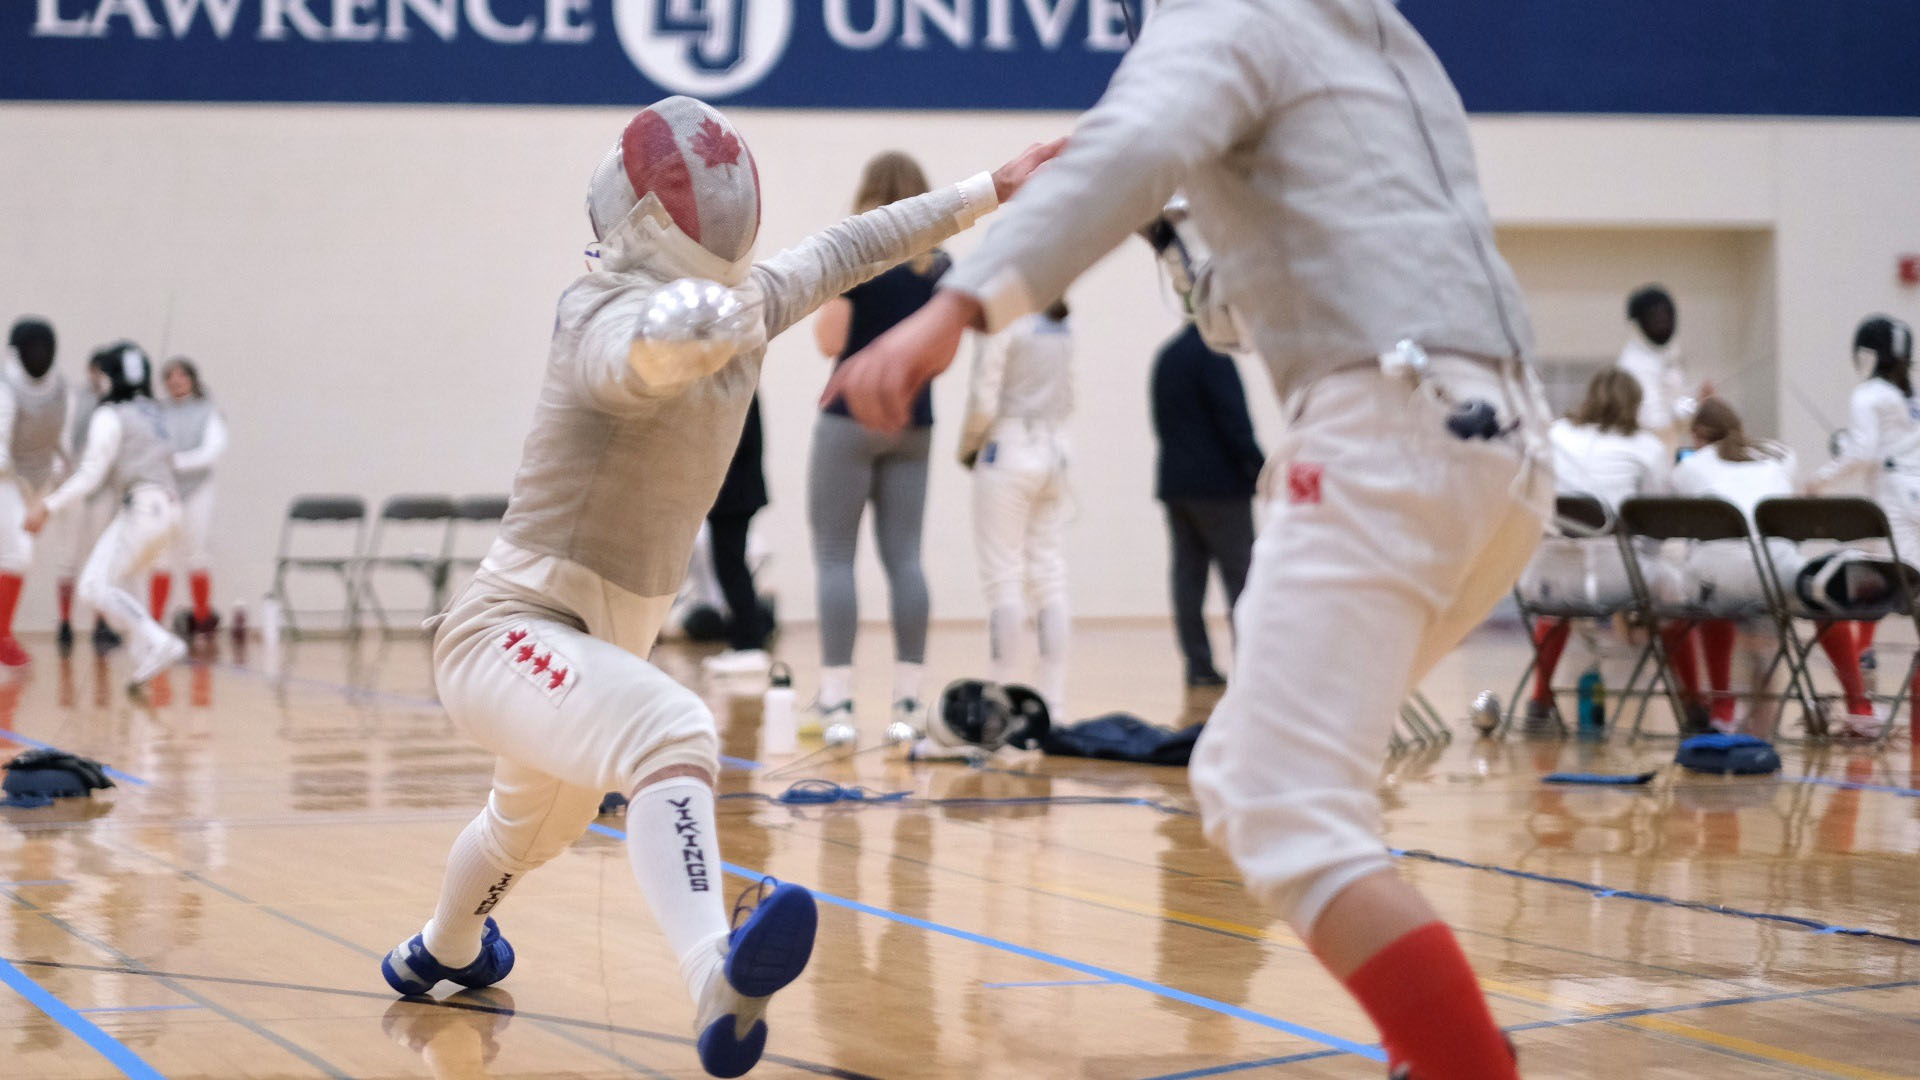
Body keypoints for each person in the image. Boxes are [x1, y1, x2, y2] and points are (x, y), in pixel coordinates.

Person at [822, 2, 1544, 1076]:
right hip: (1507, 453)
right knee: (1310, 788)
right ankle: (1432, 1048)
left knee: (1268, 791)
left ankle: (1459, 1061)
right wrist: (1179, 234)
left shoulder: (1225, 13)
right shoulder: (1379, 36)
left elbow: (1127, 143)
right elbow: (1252, 304)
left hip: (1387, 431)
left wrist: (952, 310)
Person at [378, 95, 1058, 1080]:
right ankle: (715, 977)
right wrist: (673, 339)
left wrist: (995, 186)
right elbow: (623, 365)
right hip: (504, 630)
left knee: (525, 830)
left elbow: (854, 244)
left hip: (590, 655)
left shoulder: (742, 305)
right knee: (674, 734)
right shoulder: (601, 308)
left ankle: (442, 952)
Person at [806, 152, 955, 746]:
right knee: (906, 559)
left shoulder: (854, 253)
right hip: (913, 420)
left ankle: (838, 704)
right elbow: (944, 352)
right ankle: (909, 702)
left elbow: (829, 341)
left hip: (847, 417)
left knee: (837, 558)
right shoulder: (940, 264)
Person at [1666, 399, 1879, 735]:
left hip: (1721, 578)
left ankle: (1721, 709)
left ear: (1697, 435)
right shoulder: (1780, 454)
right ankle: (1860, 708)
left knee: (1705, 597)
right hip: (1779, 571)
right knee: (1822, 598)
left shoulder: (1687, 468)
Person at [24, 343, 186, 689]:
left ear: (111, 378)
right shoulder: (153, 412)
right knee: (130, 586)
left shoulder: (110, 414)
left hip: (144, 507)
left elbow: (90, 475)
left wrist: (47, 506)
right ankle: (145, 660)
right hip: (170, 510)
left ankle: (159, 641)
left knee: (93, 586)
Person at [1517, 369, 1670, 730]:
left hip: (1546, 579)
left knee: (1555, 605)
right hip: (1618, 579)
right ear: (1635, 404)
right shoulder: (1647, 447)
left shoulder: (1554, 435)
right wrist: (1643, 565)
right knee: (1679, 591)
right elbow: (1659, 519)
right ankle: (1694, 708)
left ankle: (1539, 702)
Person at [960, 298, 1074, 718]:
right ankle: (1053, 704)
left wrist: (969, 445)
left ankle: (1002, 701)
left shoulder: (1005, 316)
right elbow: (1070, 393)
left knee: (1003, 577)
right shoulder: (1062, 317)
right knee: (1049, 575)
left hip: (1008, 451)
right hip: (1054, 451)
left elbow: (983, 397)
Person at [1150, 321, 1264, 689]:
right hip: (1221, 488)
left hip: (1177, 486)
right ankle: (1252, 665)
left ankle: (1198, 666)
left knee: (1188, 579)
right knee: (1243, 579)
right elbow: (1236, 425)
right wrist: (1261, 471)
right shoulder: (1215, 357)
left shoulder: (1166, 357)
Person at [1809, 315, 1920, 674]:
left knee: (1890, 581)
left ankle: (1861, 654)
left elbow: (1863, 453)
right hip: (1912, 493)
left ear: (1868, 355)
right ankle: (1864, 650)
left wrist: (1819, 480)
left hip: (1894, 500)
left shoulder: (1868, 395)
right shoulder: (1913, 398)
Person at [0, 318, 70, 667]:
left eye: (44, 347)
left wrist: (51, 491)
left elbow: (61, 441)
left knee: (18, 557)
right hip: (5, 476)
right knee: (17, 555)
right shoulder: (5, 386)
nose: (39, 354)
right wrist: (29, 496)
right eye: (32, 348)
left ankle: (2, 635)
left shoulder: (59, 387)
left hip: (34, 479)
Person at [700, 393, 775, 676]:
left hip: (734, 495)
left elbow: (729, 443)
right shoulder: (740, 391)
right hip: (734, 494)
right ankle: (745, 640)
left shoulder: (738, 393)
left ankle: (749, 644)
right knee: (730, 566)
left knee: (731, 567)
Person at [156, 357, 229, 637]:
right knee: (160, 557)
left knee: (197, 553)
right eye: (170, 377)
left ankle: (201, 621)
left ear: (192, 379)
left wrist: (176, 462)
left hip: (199, 489)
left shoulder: (208, 411)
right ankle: (155, 623)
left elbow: (212, 451)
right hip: (165, 490)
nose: (175, 381)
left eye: (181, 376)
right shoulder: (157, 411)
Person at [1616, 285, 1705, 448]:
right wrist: (1695, 405)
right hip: (1645, 452)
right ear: (1638, 322)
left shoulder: (1665, 355)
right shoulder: (1634, 365)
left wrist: (1697, 396)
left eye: (1666, 315)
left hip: (1666, 448)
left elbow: (1673, 401)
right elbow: (1654, 421)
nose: (1662, 322)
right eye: (1654, 317)